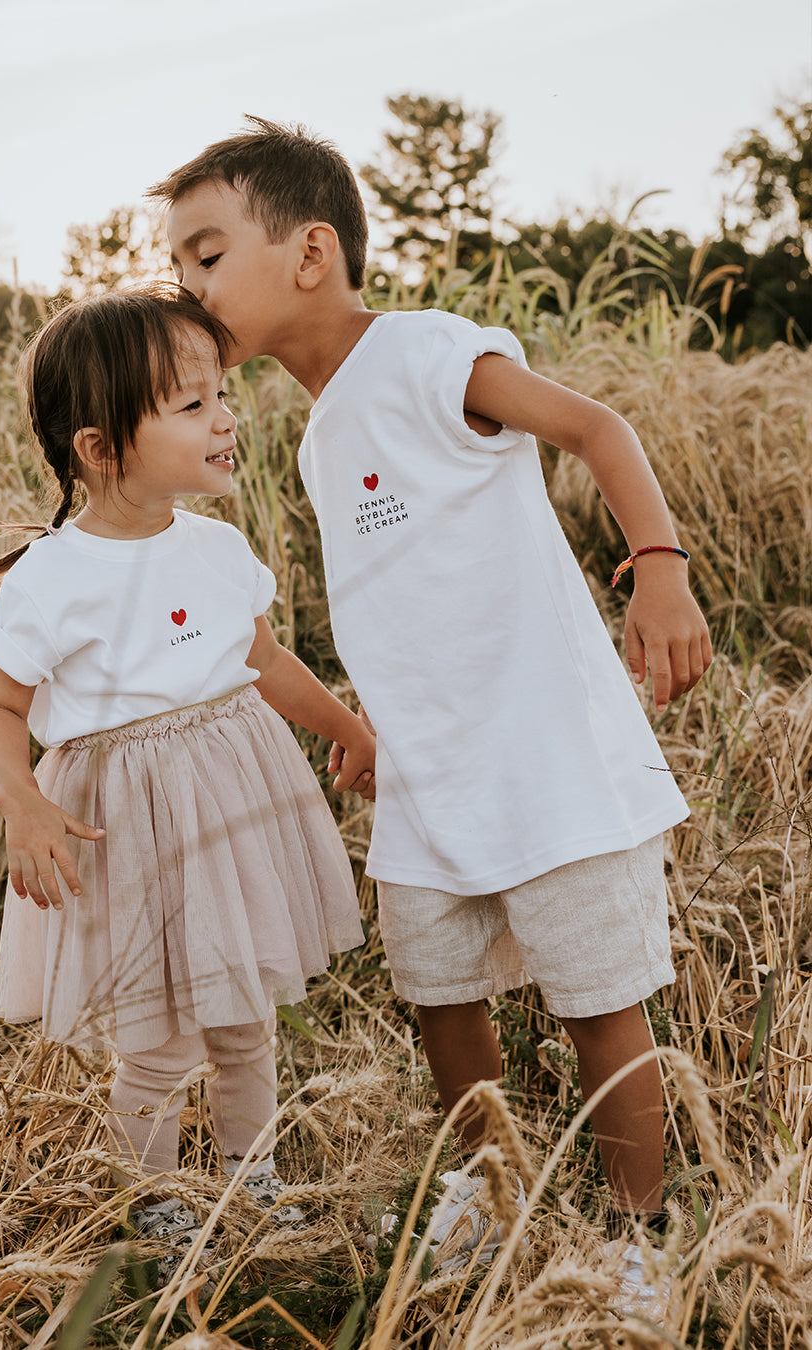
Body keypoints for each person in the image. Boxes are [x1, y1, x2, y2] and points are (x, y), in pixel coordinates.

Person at [149, 118, 713, 1289]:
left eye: (206, 255)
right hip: (427, 767)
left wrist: (659, 568)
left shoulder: (420, 352)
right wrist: (367, 729)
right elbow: (402, 605)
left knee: (598, 1006)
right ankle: (490, 1193)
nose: (185, 285)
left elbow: (596, 427)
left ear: (311, 252)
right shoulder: (319, 437)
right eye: (176, 265)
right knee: (439, 997)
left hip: (546, 756)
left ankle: (636, 1241)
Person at [0, 282, 375, 1270]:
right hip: (131, 824)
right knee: (155, 1038)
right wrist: (23, 805)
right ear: (102, 448)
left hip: (233, 808)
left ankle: (249, 1179)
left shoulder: (218, 548)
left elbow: (263, 660)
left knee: (243, 1019)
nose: (225, 418)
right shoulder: (53, 576)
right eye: (192, 405)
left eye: (221, 396)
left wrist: (349, 727)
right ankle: (156, 1200)